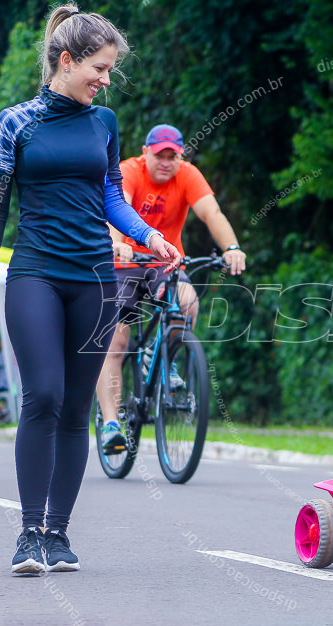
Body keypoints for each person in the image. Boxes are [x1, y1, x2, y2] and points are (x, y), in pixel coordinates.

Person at [0, 3, 181, 575]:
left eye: (110, 70)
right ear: (67, 61)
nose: (107, 80)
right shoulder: (14, 123)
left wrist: (147, 237)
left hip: (95, 276)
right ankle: (27, 533)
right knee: (42, 394)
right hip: (35, 272)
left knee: (75, 406)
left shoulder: (103, 124)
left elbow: (111, 195)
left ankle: (58, 535)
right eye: (101, 68)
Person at [95, 123, 246, 454]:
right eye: (160, 155)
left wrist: (232, 247)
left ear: (180, 157)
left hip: (165, 262)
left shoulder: (187, 175)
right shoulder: (128, 171)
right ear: (146, 153)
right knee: (117, 339)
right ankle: (110, 424)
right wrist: (118, 244)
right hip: (126, 263)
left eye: (173, 156)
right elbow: (117, 208)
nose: (166, 162)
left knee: (188, 302)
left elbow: (212, 212)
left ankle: (168, 358)